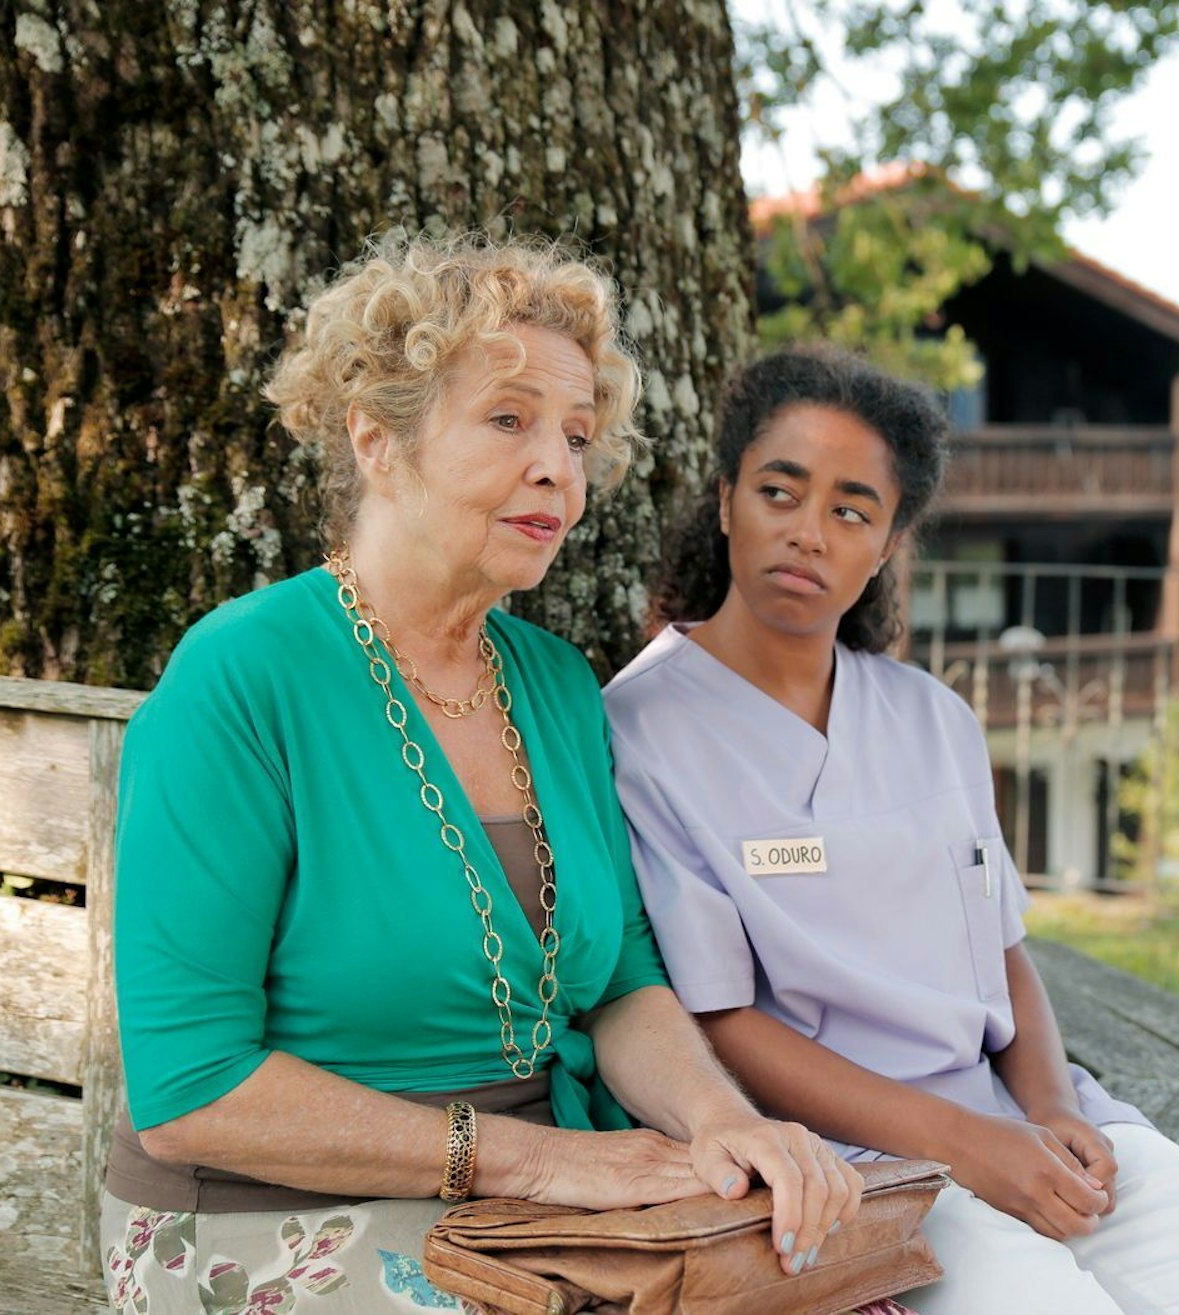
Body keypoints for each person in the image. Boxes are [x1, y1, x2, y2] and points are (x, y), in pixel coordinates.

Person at [101, 236, 862, 1314]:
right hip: (258, 1209)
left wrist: (714, 1117)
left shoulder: (552, 684)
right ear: (377, 441)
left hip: (543, 1198)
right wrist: (534, 1161)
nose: (557, 464)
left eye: (577, 434)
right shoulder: (241, 679)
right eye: (508, 420)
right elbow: (191, 1090)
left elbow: (620, 980)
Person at [602, 347, 1179, 1314]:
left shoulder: (933, 717)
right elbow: (724, 1024)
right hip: (858, 1166)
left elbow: (1004, 954)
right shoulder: (641, 732)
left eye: (852, 509)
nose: (808, 533)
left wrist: (1050, 1106)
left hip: (1035, 1120)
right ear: (725, 501)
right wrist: (964, 1145)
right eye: (779, 491)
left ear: (887, 542)